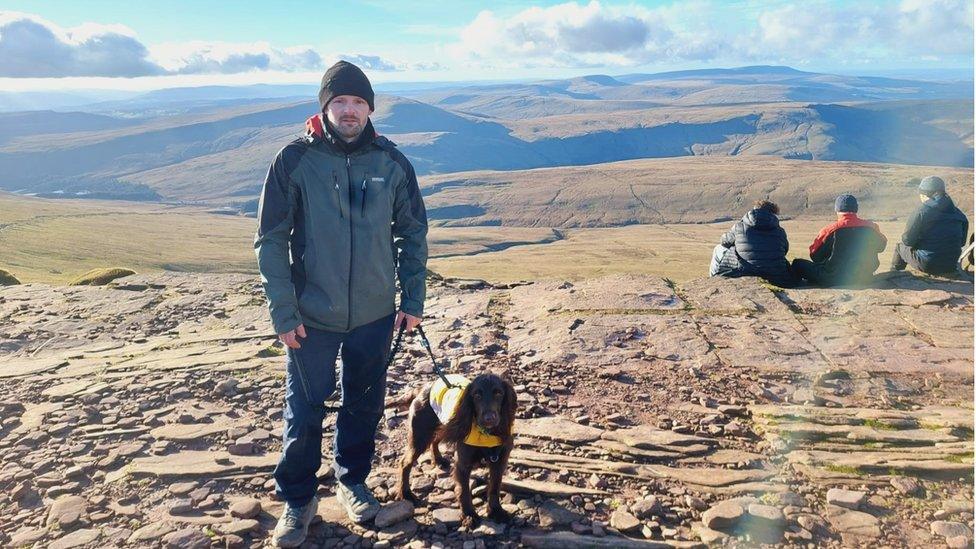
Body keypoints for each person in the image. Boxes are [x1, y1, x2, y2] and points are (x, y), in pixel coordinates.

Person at [254, 60, 428, 548]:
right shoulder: (294, 160)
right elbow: (270, 239)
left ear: (370, 107)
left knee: (364, 404)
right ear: (324, 108)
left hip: (374, 314)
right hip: (312, 315)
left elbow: (413, 233)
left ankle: (352, 481)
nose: (348, 110)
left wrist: (412, 298)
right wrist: (283, 311)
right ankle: (299, 498)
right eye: (339, 102)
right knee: (304, 409)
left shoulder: (392, 163)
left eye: (357, 102)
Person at [792, 194, 886, 287]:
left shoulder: (829, 230)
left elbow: (814, 256)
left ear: (837, 210)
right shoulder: (871, 227)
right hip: (864, 277)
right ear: (856, 209)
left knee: (797, 264)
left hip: (832, 278)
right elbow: (882, 246)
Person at [890, 175, 969, 276]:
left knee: (900, 247)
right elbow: (962, 243)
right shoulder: (958, 213)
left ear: (925, 194)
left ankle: (894, 275)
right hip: (951, 264)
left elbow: (907, 241)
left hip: (928, 264)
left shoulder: (922, 211)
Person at [710, 199, 796, 287]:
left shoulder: (739, 227)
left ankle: (713, 281)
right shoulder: (780, 231)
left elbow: (724, 242)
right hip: (776, 276)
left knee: (718, 248)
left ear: (754, 210)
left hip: (745, 272)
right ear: (773, 214)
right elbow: (785, 250)